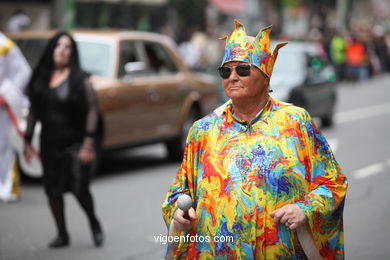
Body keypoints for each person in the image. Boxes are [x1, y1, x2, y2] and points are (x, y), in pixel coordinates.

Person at [162, 20, 348, 259]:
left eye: (243, 69)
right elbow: (178, 193)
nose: (232, 76)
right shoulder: (202, 130)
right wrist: (178, 216)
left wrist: (305, 209)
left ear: (266, 77)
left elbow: (333, 184)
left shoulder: (295, 122)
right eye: (225, 71)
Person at [24, 31, 104, 248]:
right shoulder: (42, 77)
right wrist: (27, 139)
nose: (62, 50)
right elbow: (34, 109)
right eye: (58, 45)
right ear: (52, 49)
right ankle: (62, 234)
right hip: (50, 143)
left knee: (79, 187)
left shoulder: (79, 78)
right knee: (53, 190)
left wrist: (88, 142)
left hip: (75, 143)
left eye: (67, 47)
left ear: (72, 52)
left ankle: (94, 223)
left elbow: (92, 109)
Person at [0, 32, 31, 202]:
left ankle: (7, 187)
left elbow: (24, 72)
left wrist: (7, 94)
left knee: (3, 145)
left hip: (2, 107)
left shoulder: (5, 45)